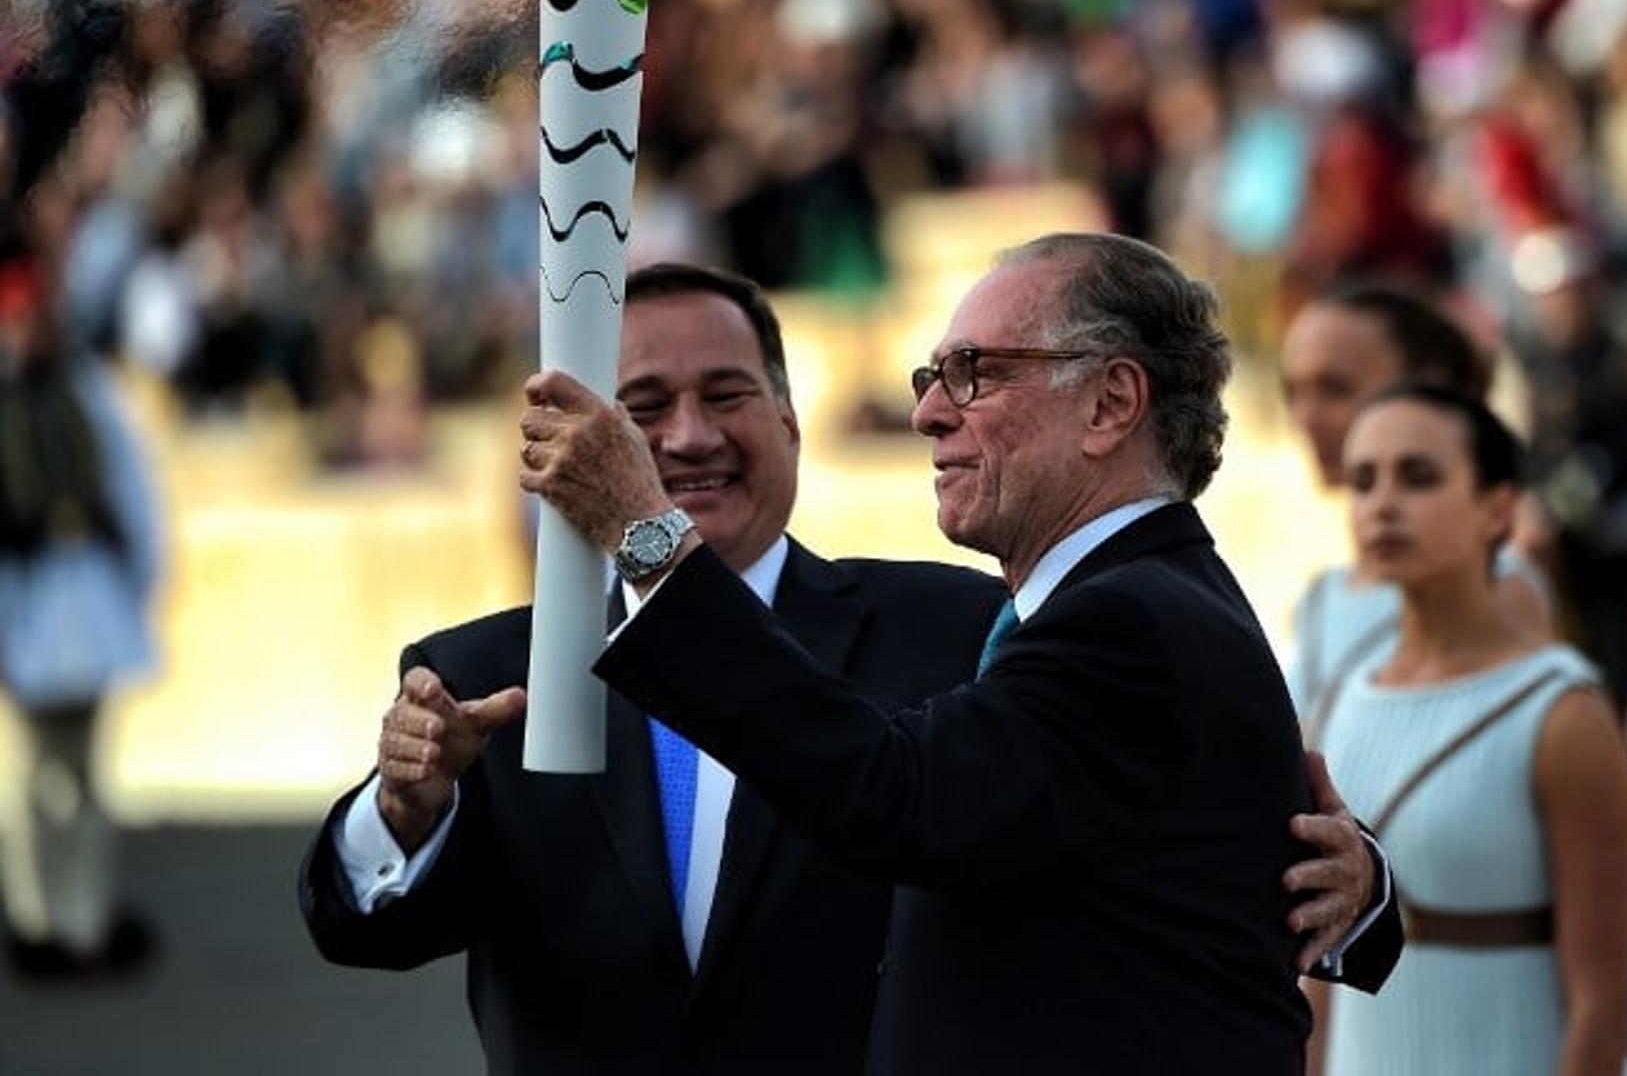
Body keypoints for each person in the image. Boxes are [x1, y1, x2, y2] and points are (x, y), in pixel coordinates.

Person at [304, 261, 1381, 1075]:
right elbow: (367, 925)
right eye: (642, 408)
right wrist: (403, 811)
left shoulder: (973, 627)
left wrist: (1358, 885)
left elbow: (923, 791)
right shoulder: (487, 670)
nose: (686, 437)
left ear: (787, 418)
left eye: (725, 395)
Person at [1306, 383, 1627, 1076]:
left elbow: (1601, 1001)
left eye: (1418, 476)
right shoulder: (1340, 699)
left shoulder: (1561, 710)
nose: (1383, 503)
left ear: (1498, 507)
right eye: (1364, 480)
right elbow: (1318, 975)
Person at [1279, 284, 1552, 731]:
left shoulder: (1498, 589)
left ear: (1430, 384)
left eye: (1335, 388)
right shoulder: (1321, 597)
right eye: (1294, 391)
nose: (1306, 417)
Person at [0, 243, 161, 978]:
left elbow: (129, 489)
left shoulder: (86, 389)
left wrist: (140, 582)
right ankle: (38, 918)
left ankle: (84, 918)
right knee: (36, 773)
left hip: (85, 596)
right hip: (25, 597)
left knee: (86, 774)